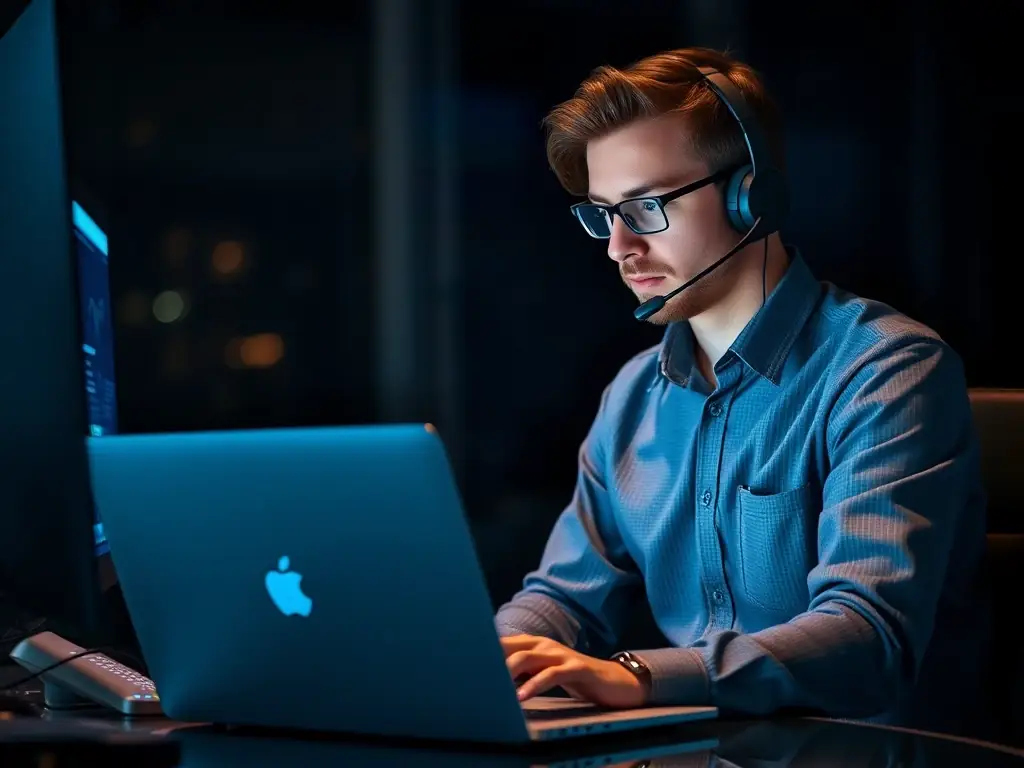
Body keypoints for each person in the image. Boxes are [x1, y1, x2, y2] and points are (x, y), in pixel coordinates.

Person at [494, 47, 988, 735]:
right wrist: (491, 657)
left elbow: (867, 634)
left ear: (749, 197)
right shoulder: (633, 397)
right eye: (603, 213)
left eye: (645, 207)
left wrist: (638, 677)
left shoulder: (889, 371)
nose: (618, 246)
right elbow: (564, 597)